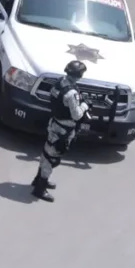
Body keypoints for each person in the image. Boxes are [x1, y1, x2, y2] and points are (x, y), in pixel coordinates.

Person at [31, 61, 92, 203]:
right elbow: (76, 115)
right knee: (52, 156)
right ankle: (40, 188)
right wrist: (84, 105)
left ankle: (39, 180)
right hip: (63, 129)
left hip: (55, 124)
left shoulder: (60, 83)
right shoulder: (71, 93)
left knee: (48, 152)